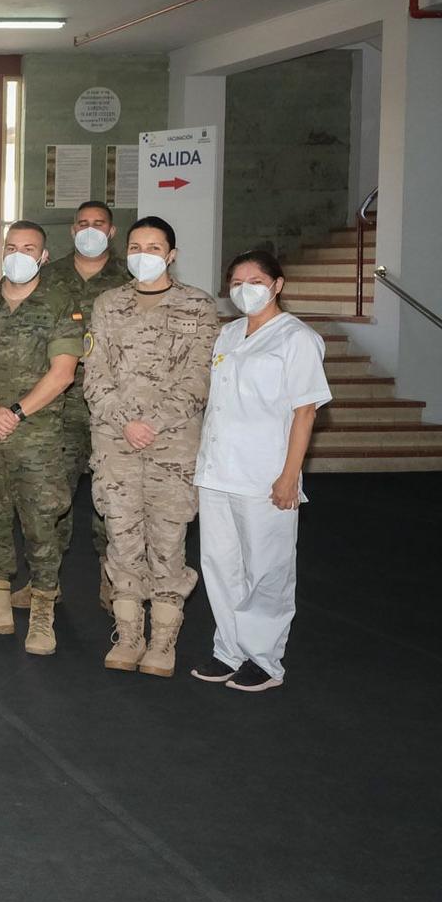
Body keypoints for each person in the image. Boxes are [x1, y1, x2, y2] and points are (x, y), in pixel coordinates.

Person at [190, 250, 330, 693]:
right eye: (235, 281)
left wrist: (290, 475)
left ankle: (265, 660)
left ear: (277, 285)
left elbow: (305, 412)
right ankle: (228, 649)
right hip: (216, 470)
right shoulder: (227, 334)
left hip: (265, 474)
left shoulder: (296, 338)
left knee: (267, 568)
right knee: (220, 563)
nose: (243, 288)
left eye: (254, 280)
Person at [86, 217, 219, 677]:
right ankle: (128, 635)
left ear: (172, 254)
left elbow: (199, 377)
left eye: (154, 246)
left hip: (173, 447)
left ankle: (163, 641)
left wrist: (153, 424)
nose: (144, 253)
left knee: (167, 542)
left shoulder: (199, 307)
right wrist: (126, 424)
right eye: (136, 245)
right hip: (115, 446)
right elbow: (95, 373)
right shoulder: (108, 304)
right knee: (121, 539)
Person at [0, 221, 83, 656]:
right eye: (11, 247)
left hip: (36, 437)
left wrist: (16, 412)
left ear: (44, 256)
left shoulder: (60, 303)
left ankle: (43, 609)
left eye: (29, 248)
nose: (19, 255)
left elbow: (62, 373)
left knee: (42, 522)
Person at [42, 199, 132, 607]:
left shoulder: (129, 278)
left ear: (112, 232)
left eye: (99, 224)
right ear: (72, 230)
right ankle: (47, 579)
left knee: (111, 496)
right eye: (83, 223)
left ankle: (112, 577)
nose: (90, 229)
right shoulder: (49, 276)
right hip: (59, 403)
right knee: (51, 494)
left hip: (112, 407)